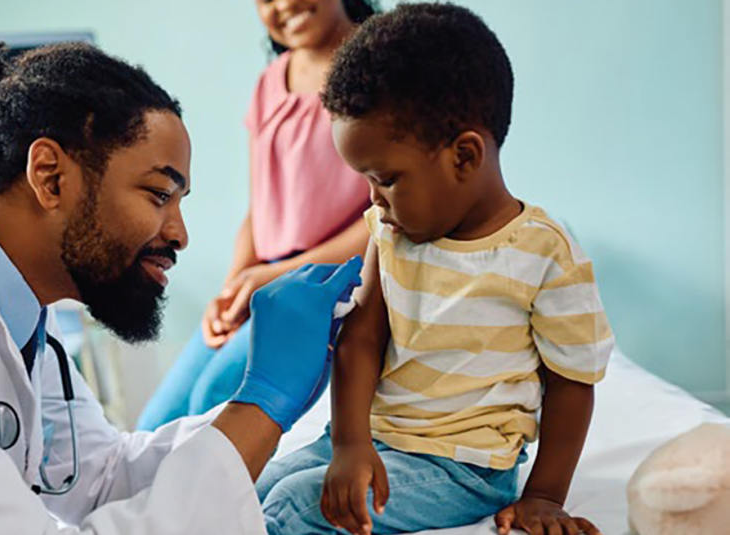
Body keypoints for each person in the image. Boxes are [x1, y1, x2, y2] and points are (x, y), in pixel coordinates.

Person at [0, 41, 362, 535]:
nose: (179, 234)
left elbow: (100, 478)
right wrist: (261, 404)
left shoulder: (8, 305)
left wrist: (281, 413)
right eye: (157, 194)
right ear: (49, 176)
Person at [256, 4, 613, 535]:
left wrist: (543, 495)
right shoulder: (389, 232)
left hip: (461, 468)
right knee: (250, 488)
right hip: (370, 439)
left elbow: (571, 383)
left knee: (291, 509)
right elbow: (362, 339)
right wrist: (350, 444)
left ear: (464, 157)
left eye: (386, 178)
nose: (374, 201)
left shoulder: (544, 253)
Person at [136, 0, 377, 432]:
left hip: (334, 281)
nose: (284, 4)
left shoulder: (382, 69)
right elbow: (261, 206)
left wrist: (268, 278)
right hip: (266, 277)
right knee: (156, 422)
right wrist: (235, 288)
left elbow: (385, 219)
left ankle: (205, 499)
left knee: (213, 401)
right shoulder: (271, 82)